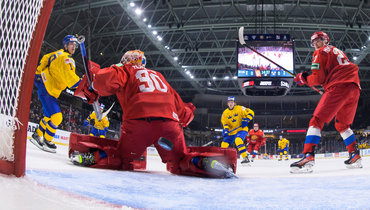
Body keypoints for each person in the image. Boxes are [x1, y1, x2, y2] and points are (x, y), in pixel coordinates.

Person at [73, 50, 237, 178]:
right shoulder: (159, 75)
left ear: (126, 60)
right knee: (180, 160)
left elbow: (103, 81)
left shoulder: (125, 69)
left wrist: (92, 87)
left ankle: (91, 157)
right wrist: (185, 116)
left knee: (122, 158)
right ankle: (206, 163)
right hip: (169, 126)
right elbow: (183, 111)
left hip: (139, 123)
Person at [291, 31, 362, 173]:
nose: (317, 44)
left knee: (316, 121)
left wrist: (303, 78)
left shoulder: (320, 52)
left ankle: (308, 156)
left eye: (319, 40)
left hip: (339, 87)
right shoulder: (337, 50)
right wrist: (327, 85)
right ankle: (354, 155)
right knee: (342, 125)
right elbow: (332, 73)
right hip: (354, 87)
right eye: (314, 42)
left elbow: (318, 79)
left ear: (326, 41)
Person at [29, 35, 81, 153]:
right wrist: (82, 83)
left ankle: (37, 135)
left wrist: (38, 72)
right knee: (57, 117)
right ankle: (47, 141)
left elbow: (46, 58)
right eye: (71, 44)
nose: (74, 47)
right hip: (48, 87)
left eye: (75, 45)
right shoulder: (66, 59)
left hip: (47, 86)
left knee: (48, 117)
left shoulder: (58, 53)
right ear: (66, 45)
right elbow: (71, 79)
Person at [221, 96, 254, 165]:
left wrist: (246, 119)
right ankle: (222, 159)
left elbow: (251, 112)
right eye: (229, 102)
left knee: (238, 140)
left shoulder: (240, 108)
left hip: (241, 129)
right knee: (224, 144)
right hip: (232, 131)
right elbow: (225, 123)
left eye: (232, 102)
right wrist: (226, 130)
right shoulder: (225, 113)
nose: (230, 103)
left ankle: (245, 158)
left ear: (234, 103)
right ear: (227, 103)